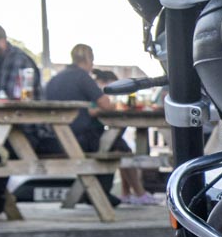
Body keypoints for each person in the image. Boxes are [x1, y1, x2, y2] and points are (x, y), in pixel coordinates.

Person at [43, 43, 155, 205]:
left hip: (56, 137)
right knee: (119, 147)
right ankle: (137, 194)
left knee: (115, 143)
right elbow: (106, 104)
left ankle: (125, 194)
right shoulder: (82, 77)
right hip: (81, 138)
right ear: (88, 59)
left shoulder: (55, 79)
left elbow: (78, 108)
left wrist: (90, 110)